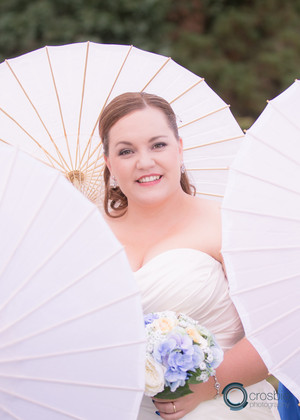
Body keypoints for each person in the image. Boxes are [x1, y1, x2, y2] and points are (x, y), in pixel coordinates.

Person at [99, 92, 280, 419]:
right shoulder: (89, 240)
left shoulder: (228, 226)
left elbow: (281, 329)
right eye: (126, 151)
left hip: (223, 405)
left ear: (179, 149)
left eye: (158, 145)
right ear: (110, 164)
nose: (145, 162)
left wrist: (211, 383)